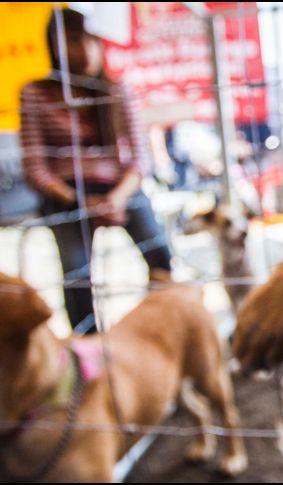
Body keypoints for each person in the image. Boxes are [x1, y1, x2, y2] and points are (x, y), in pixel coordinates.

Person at [20, 9, 172, 333]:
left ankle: (165, 326)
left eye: (92, 39)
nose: (86, 49)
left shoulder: (117, 90)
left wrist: (115, 199)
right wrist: (80, 202)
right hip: (64, 193)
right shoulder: (34, 93)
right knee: (76, 272)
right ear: (55, 42)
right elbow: (36, 168)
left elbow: (140, 160)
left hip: (119, 187)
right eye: (74, 39)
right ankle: (87, 348)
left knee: (160, 252)